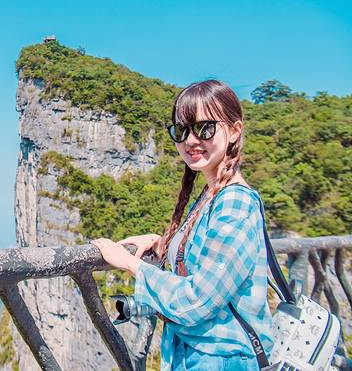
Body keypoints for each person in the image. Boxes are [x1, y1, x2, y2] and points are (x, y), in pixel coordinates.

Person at [90, 79, 274, 370]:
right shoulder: (212, 195)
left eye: (205, 128)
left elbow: (197, 301)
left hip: (221, 361)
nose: (190, 140)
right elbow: (208, 256)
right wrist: (161, 242)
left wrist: (129, 263)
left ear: (235, 130)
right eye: (181, 130)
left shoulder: (235, 203)